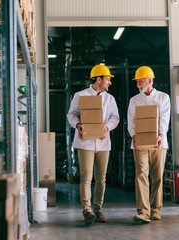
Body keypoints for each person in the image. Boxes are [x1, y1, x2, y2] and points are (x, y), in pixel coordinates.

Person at [67, 64, 120, 225]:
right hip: (85, 142)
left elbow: (115, 118)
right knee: (86, 177)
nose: (110, 82)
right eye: (108, 79)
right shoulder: (80, 95)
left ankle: (98, 209)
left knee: (101, 178)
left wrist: (106, 127)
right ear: (99, 79)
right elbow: (71, 114)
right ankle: (86, 211)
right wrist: (78, 125)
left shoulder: (110, 99)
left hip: (103, 143)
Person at [127, 66, 171, 223]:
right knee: (141, 175)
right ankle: (143, 211)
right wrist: (133, 136)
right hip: (139, 144)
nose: (138, 83)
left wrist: (160, 135)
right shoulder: (134, 100)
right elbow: (131, 121)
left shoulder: (163, 98)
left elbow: (164, 118)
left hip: (159, 142)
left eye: (140, 80)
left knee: (157, 175)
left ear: (150, 80)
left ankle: (155, 209)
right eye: (137, 81)